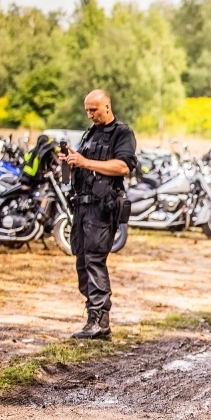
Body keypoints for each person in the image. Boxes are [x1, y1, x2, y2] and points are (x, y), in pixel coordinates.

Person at [61, 89, 137, 339]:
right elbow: (84, 165)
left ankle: (100, 322)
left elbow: (123, 166)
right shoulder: (89, 134)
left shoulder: (122, 133)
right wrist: (72, 160)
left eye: (94, 110)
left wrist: (86, 162)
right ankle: (92, 316)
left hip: (102, 209)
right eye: (87, 110)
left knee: (94, 260)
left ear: (107, 106)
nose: (90, 114)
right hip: (82, 207)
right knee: (82, 261)